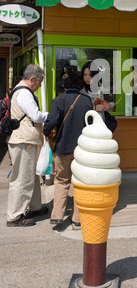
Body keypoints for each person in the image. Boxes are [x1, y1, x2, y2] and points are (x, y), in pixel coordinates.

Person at [43, 73, 93, 226]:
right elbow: (90, 124)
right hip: (82, 150)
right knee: (79, 183)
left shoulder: (59, 100)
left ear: (65, 85)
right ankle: (77, 219)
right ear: (80, 86)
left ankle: (57, 215)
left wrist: (46, 133)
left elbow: (51, 121)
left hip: (62, 148)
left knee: (61, 181)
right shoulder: (86, 101)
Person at [6, 64, 48, 227]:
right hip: (23, 139)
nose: (39, 86)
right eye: (39, 82)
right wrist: (51, 114)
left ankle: (34, 207)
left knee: (30, 176)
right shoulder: (24, 93)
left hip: (23, 138)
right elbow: (36, 116)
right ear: (32, 79)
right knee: (22, 178)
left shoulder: (19, 90)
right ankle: (15, 215)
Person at [81, 61, 117, 132]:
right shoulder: (81, 91)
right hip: (87, 129)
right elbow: (79, 111)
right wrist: (94, 108)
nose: (87, 78)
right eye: (85, 75)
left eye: (90, 75)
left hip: (100, 127)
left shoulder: (99, 89)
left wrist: (103, 107)